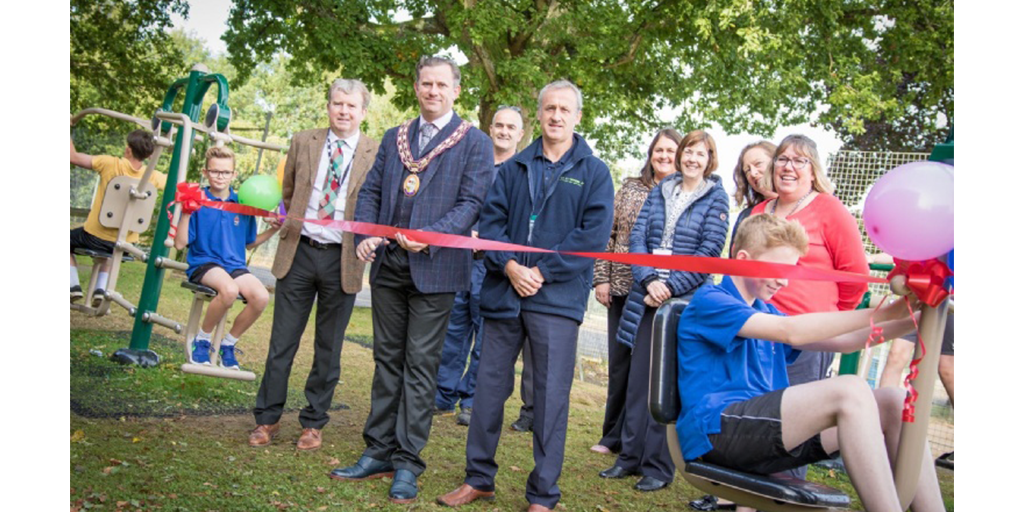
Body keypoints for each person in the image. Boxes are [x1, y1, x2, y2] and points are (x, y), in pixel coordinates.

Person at [676, 213, 945, 512]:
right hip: (716, 433)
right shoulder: (711, 301)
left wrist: (922, 317)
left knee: (894, 400)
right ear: (743, 258)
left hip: (762, 433)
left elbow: (848, 341)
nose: (784, 280)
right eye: (778, 268)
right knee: (850, 389)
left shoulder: (767, 310)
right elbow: (792, 332)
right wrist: (887, 312)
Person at [436, 80, 614, 512]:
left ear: (577, 117)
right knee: (487, 391)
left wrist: (541, 272)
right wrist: (512, 267)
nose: (556, 116)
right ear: (539, 114)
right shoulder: (515, 167)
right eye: (549, 108)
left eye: (564, 109)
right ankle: (478, 478)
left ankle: (543, 495)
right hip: (504, 295)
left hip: (557, 302)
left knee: (551, 400)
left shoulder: (594, 173)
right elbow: (491, 226)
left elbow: (589, 237)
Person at [330, 56, 493, 505]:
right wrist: (366, 236)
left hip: (436, 269)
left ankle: (407, 462)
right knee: (387, 362)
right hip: (389, 268)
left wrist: (431, 237)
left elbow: (472, 201)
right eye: (426, 83)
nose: (433, 91)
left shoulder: (474, 142)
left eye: (442, 84)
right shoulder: (394, 137)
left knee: (420, 367)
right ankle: (377, 450)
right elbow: (373, 192)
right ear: (416, 87)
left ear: (456, 90)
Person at [249, 78, 380, 451]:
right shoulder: (302, 141)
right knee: (281, 343)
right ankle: (267, 418)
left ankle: (313, 422)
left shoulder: (376, 151)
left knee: (329, 347)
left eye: (351, 106)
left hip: (345, 259)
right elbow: (289, 192)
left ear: (363, 112)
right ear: (329, 106)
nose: (343, 111)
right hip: (299, 254)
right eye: (338, 103)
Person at [600, 129, 729, 492]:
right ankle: (628, 457)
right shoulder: (661, 190)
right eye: (688, 151)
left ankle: (657, 466)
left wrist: (670, 287)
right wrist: (649, 279)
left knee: (665, 384)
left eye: (700, 154)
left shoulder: (716, 199)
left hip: (681, 302)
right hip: (646, 293)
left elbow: (708, 254)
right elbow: (638, 239)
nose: (692, 158)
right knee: (638, 381)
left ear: (709, 159)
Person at [591, 128, 682, 455]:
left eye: (671, 151)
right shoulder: (630, 187)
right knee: (620, 364)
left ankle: (640, 438)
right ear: (650, 153)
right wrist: (601, 277)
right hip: (621, 287)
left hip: (659, 293)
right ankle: (611, 436)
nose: (664, 156)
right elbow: (609, 234)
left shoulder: (682, 192)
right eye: (659, 150)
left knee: (649, 369)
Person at [434, 105, 526, 427]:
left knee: (486, 339)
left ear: (520, 134)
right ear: (490, 128)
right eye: (498, 125)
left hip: (493, 269)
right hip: (460, 261)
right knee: (453, 332)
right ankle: (442, 394)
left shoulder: (521, 173)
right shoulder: (475, 163)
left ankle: (471, 400)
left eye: (510, 127)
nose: (503, 131)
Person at [173, 147, 278, 369]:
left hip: (235, 265)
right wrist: (185, 212)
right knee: (229, 290)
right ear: (205, 172)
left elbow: (248, 243)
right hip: (205, 263)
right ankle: (202, 341)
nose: (220, 176)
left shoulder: (243, 202)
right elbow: (180, 243)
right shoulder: (198, 200)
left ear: (234, 174)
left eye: (225, 172)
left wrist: (273, 230)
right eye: (215, 171)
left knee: (261, 297)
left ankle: (227, 344)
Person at [69, 128, 167, 304]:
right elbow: (176, 182)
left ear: (128, 149)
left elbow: (73, 157)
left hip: (95, 237)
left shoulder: (109, 163)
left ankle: (72, 285)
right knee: (114, 245)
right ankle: (100, 289)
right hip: (126, 243)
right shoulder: (152, 176)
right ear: (149, 154)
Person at [729, 140, 777, 256]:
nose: (753, 173)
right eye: (747, 170)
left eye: (758, 164)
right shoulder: (746, 216)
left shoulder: (807, 205)